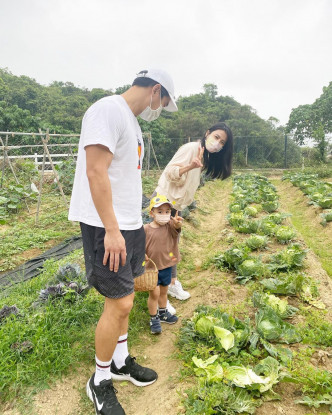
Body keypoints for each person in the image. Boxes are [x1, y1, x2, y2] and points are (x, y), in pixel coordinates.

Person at [68, 68, 177, 415]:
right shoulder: (107, 110)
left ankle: (119, 360)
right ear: (155, 90)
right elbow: (95, 171)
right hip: (107, 226)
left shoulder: (131, 121)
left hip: (129, 225)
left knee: (127, 298)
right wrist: (112, 228)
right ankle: (99, 380)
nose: (159, 109)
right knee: (120, 303)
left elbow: (123, 176)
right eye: (163, 102)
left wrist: (136, 225)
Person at [155, 122, 233, 303]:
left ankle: (171, 283)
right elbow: (170, 172)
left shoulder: (203, 155)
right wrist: (190, 166)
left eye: (222, 143)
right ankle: (160, 295)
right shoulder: (191, 149)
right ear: (207, 133)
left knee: (172, 245)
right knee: (162, 249)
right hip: (164, 203)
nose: (218, 143)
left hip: (176, 204)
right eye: (216, 137)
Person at [144, 194, 183, 334]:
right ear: (152, 213)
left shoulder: (170, 226)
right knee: (154, 293)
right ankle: (153, 318)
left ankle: (162, 313)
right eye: (160, 212)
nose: (164, 215)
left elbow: (177, 227)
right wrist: (143, 254)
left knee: (164, 291)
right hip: (152, 269)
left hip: (166, 265)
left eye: (167, 212)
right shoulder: (146, 229)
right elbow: (139, 246)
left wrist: (178, 223)